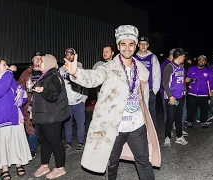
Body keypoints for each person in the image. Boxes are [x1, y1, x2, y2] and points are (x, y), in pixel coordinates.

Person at [65, 25, 161, 180]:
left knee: (143, 161)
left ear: (136, 46)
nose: (127, 48)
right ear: (118, 46)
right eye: (123, 44)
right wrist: (76, 73)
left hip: (137, 124)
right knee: (112, 162)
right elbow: (93, 77)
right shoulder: (109, 67)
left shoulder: (142, 69)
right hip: (115, 126)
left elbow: (144, 98)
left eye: (131, 44)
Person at [0, 59, 32, 180]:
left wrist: (22, 95)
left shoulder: (10, 80)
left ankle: (18, 163)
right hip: (2, 119)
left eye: (7, 65)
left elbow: (21, 95)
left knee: (15, 141)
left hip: (14, 117)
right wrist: (9, 72)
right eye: (4, 65)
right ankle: (4, 168)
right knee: (3, 145)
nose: (7, 67)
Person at [32, 54, 69, 179]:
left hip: (52, 116)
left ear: (48, 63)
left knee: (55, 142)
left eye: (41, 61)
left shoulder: (54, 76)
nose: (38, 62)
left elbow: (53, 97)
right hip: (43, 116)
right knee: (44, 142)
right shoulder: (44, 76)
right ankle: (44, 165)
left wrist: (43, 91)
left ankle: (60, 168)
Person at [59, 48, 87, 151]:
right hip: (67, 103)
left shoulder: (79, 67)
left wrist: (84, 98)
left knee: (80, 124)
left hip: (78, 102)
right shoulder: (61, 69)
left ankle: (80, 142)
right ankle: (68, 142)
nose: (69, 56)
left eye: (71, 54)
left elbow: (85, 84)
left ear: (74, 56)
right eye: (67, 54)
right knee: (67, 124)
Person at [17, 52, 43, 158]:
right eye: (35, 59)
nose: (37, 61)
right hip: (29, 105)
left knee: (44, 127)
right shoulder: (27, 72)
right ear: (32, 60)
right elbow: (19, 85)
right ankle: (32, 149)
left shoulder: (45, 71)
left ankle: (47, 148)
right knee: (31, 127)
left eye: (40, 58)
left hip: (44, 105)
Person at [163, 48, 188, 146]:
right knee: (170, 118)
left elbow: (182, 80)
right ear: (180, 56)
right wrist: (170, 96)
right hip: (172, 98)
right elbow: (165, 84)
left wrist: (184, 89)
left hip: (181, 97)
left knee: (179, 117)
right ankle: (167, 137)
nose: (184, 58)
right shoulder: (169, 67)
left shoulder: (181, 67)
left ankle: (179, 136)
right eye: (184, 56)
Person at [134, 36, 161, 128]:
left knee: (151, 114)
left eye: (145, 44)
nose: (143, 46)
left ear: (148, 45)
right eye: (141, 44)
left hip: (149, 91)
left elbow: (157, 75)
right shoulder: (134, 58)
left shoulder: (152, 57)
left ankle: (152, 136)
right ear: (138, 45)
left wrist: (154, 90)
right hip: (137, 92)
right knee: (138, 113)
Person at [185, 55, 213, 128]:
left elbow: (212, 81)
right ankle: (189, 121)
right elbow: (186, 78)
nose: (201, 61)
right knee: (191, 108)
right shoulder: (191, 69)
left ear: (205, 62)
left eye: (202, 60)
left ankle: (203, 121)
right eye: (199, 60)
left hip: (203, 94)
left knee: (204, 109)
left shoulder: (208, 71)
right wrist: (187, 80)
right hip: (192, 93)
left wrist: (212, 90)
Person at [160, 48, 175, 125]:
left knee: (173, 111)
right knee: (167, 112)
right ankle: (168, 129)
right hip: (166, 93)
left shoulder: (175, 64)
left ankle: (173, 126)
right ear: (171, 56)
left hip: (175, 93)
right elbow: (163, 80)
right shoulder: (165, 65)